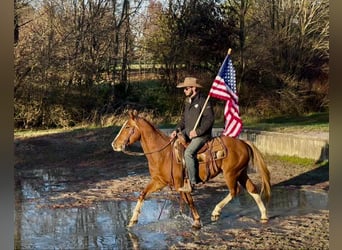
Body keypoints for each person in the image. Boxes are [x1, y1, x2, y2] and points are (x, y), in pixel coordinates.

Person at [170, 77, 215, 192]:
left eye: (186, 88)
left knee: (189, 153)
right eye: (184, 89)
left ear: (193, 88)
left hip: (202, 135)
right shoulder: (188, 101)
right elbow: (184, 120)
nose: (184, 91)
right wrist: (177, 130)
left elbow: (209, 120)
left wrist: (198, 132)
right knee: (174, 144)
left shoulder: (203, 101)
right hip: (189, 131)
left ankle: (193, 181)